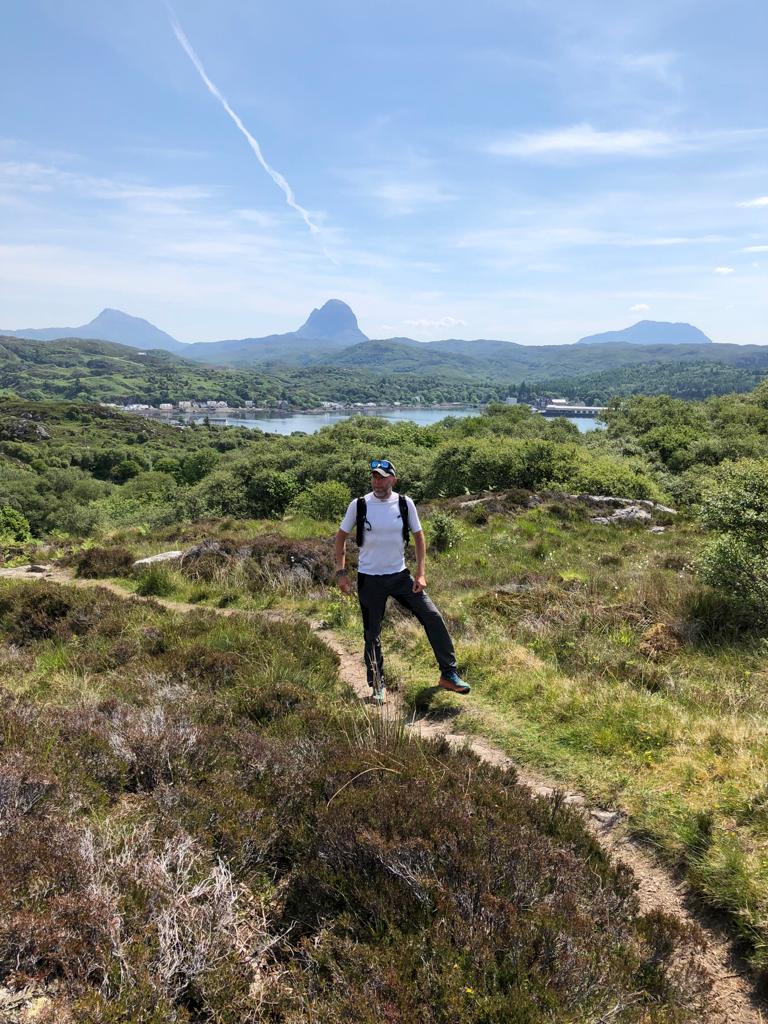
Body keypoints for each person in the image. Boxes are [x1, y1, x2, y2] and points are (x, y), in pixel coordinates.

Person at [334, 458, 470, 704]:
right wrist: (341, 573)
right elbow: (341, 537)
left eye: (382, 477)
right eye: (374, 477)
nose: (377, 481)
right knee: (371, 633)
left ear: (392, 479)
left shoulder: (405, 504)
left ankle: (449, 674)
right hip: (369, 579)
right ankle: (377, 685)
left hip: (400, 576)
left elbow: (419, 537)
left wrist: (420, 574)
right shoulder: (360, 504)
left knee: (432, 616)